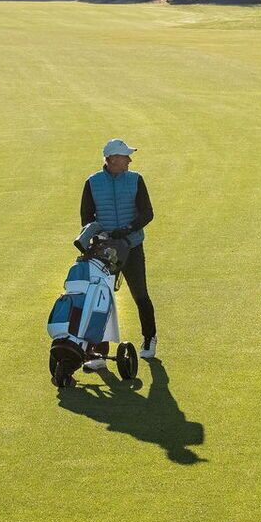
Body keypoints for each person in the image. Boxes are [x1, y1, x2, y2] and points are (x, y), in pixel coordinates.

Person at [80, 138, 157, 359]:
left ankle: (149, 338)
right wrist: (99, 236)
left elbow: (147, 213)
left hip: (131, 247)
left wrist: (127, 229)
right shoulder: (93, 182)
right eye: (125, 156)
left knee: (140, 294)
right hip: (104, 251)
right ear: (112, 159)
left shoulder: (135, 180)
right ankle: (99, 351)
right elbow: (86, 217)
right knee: (100, 298)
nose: (129, 160)